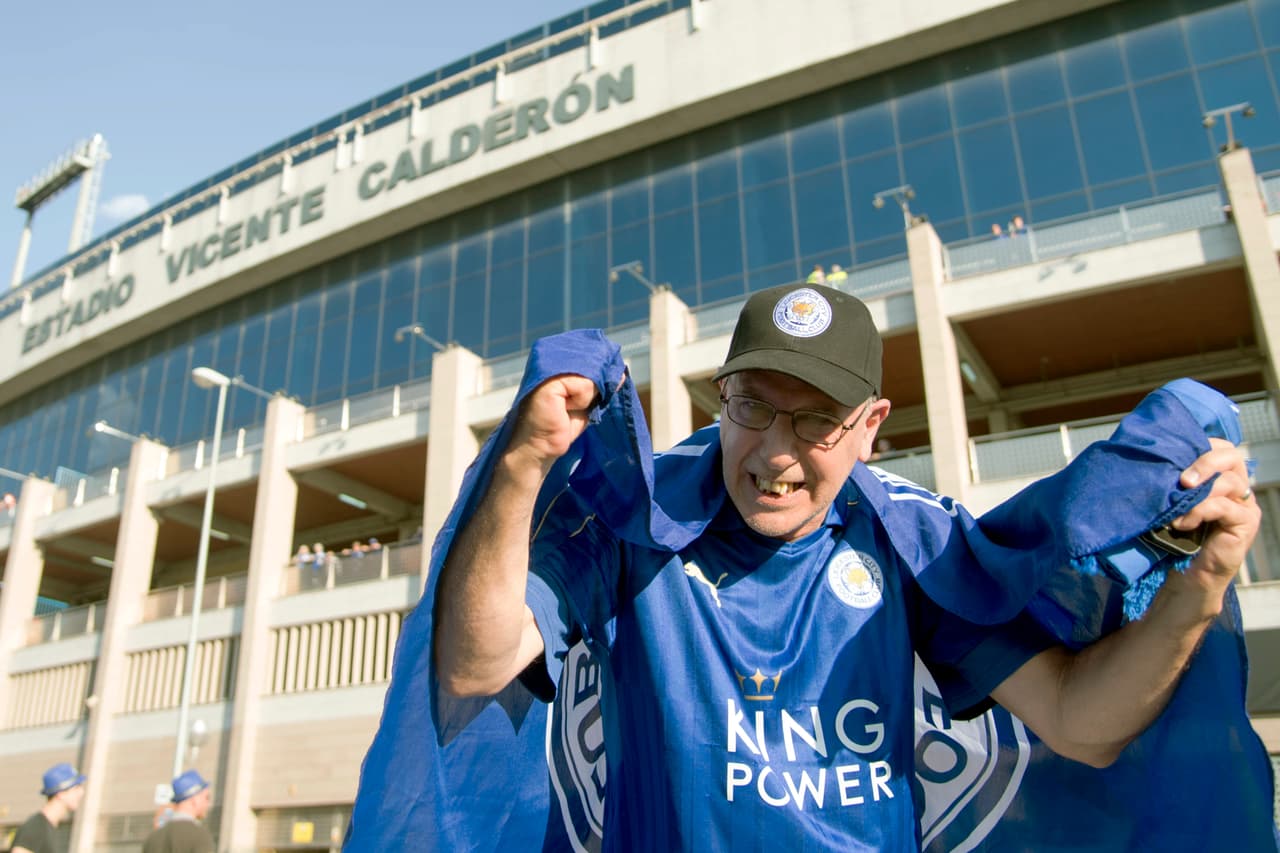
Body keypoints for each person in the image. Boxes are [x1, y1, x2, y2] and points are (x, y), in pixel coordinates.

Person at [430, 282, 1259, 848]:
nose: (776, 453)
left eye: (819, 419)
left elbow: (1081, 724)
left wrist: (1203, 583)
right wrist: (522, 465)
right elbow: (475, 665)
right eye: (753, 405)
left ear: (872, 425)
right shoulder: (638, 517)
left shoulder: (909, 542)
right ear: (723, 395)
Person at [11, 763, 86, 853]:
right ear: (60, 793)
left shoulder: (49, 827)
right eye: (76, 788)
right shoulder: (36, 827)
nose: (81, 792)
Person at [142, 770, 214, 853]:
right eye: (207, 797)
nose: (208, 804)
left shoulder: (152, 839)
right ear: (195, 800)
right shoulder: (199, 836)